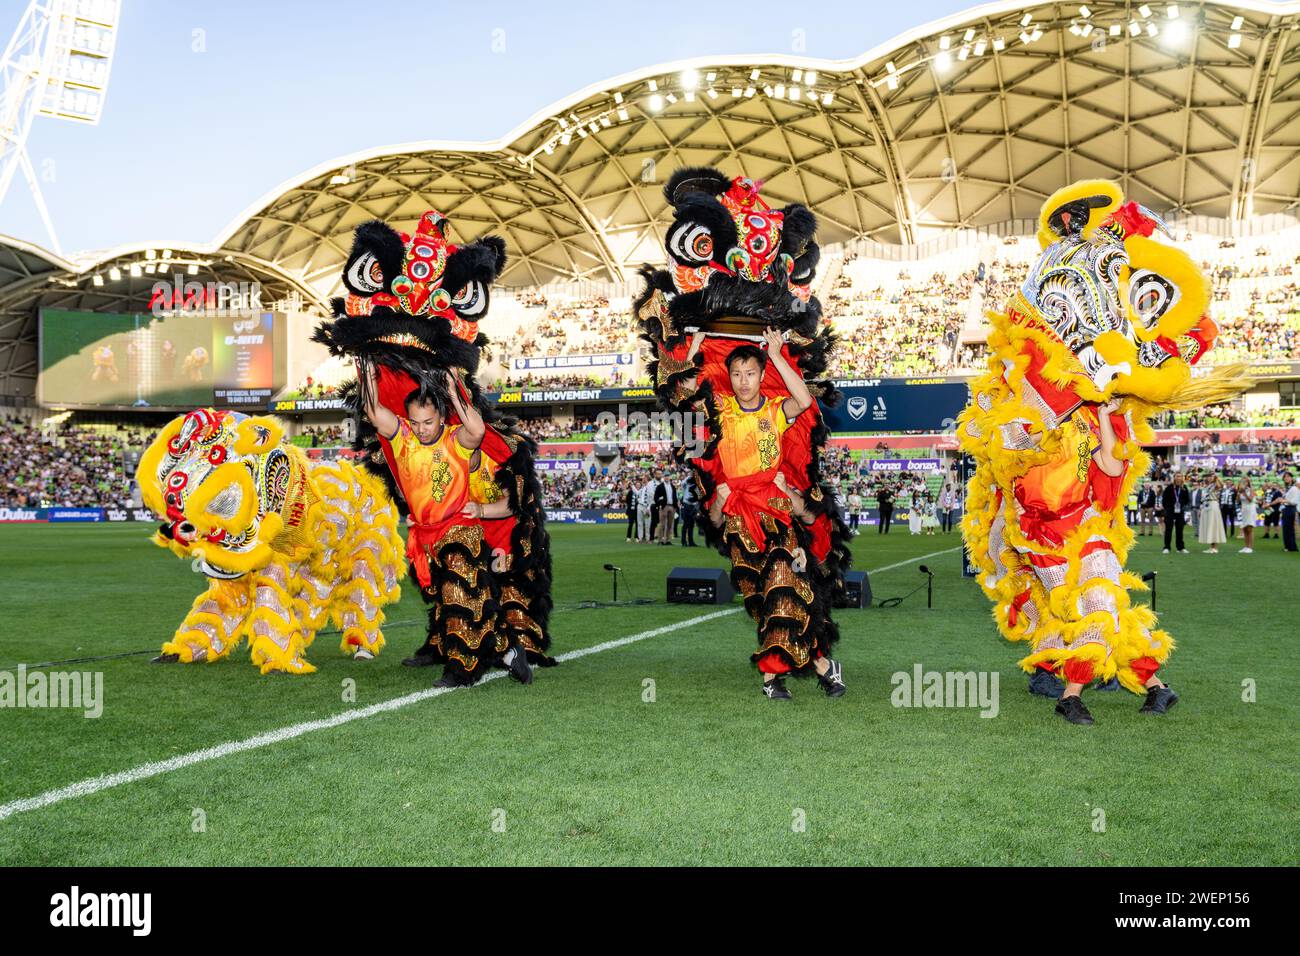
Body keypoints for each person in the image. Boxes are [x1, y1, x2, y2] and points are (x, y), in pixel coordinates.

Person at [693, 330, 846, 701]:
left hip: (776, 512)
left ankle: (778, 673)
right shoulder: (721, 409)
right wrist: (696, 344)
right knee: (763, 600)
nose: (743, 381)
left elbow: (804, 398)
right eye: (737, 374)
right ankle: (816, 667)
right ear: (729, 377)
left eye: (751, 373)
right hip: (738, 517)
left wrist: (775, 354)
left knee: (785, 582)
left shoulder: (774, 409)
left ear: (761, 376)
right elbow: (683, 391)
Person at [359, 361, 527, 687]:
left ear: (441, 416)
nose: (422, 428)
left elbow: (477, 430)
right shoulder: (401, 437)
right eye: (416, 421)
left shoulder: (456, 439)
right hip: (424, 537)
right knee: (458, 601)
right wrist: (366, 374)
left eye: (429, 421)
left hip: (459, 530)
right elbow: (372, 410)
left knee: (458, 597)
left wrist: (455, 392)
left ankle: (461, 671)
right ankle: (507, 650)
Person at [1269, 471, 1299, 552]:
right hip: (1285, 509)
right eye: (1285, 477)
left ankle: (1292, 547)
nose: (1286, 478)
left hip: (1290, 509)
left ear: (1292, 478)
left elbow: (1294, 501)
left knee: (1289, 529)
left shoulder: (1294, 488)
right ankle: (1288, 546)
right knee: (1286, 529)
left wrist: (1283, 501)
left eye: (1288, 476)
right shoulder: (1287, 488)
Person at [1162, 473, 1191, 554]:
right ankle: (1167, 547)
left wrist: (1182, 505)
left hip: (1180, 511)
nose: (1179, 478)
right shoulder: (1169, 488)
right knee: (1168, 529)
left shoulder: (1184, 488)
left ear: (1182, 478)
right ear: (1174, 478)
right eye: (1177, 476)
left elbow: (1187, 500)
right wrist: (1168, 508)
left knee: (1180, 530)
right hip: (1170, 511)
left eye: (1180, 476)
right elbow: (1164, 500)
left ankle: (1180, 548)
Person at [1198, 475, 1227, 553]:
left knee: (1213, 525)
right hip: (1205, 506)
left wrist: (1216, 477)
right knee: (1209, 526)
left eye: (1210, 476)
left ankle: (1214, 547)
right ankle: (1211, 547)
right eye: (1208, 477)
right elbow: (1202, 499)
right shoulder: (1205, 488)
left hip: (1213, 504)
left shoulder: (1215, 485)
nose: (1208, 478)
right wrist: (1200, 509)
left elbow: (1221, 485)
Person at [654, 471, 677, 545]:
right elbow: (656, 497)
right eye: (665, 476)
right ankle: (660, 540)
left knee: (670, 524)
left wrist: (675, 506)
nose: (667, 477)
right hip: (664, 506)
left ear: (669, 477)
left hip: (671, 506)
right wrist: (659, 504)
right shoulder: (660, 486)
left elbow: (675, 497)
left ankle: (667, 540)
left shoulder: (672, 486)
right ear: (663, 477)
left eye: (668, 476)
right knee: (662, 524)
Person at [1236, 477, 1257, 554]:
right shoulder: (1240, 491)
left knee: (1249, 528)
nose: (1243, 483)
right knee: (1244, 529)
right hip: (1244, 510)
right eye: (1242, 482)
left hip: (1250, 509)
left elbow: (1250, 499)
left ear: (1248, 483)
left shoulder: (1251, 490)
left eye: (1245, 482)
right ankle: (1246, 546)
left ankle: (1250, 547)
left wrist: (1244, 493)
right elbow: (1237, 501)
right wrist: (1238, 493)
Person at [636, 473, 656, 542]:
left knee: (648, 523)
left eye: (644, 478)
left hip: (647, 507)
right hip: (640, 506)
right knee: (640, 523)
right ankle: (640, 538)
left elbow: (652, 498)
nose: (643, 479)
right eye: (643, 478)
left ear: (647, 479)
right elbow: (638, 494)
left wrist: (649, 507)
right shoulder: (642, 487)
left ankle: (648, 538)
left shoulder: (650, 487)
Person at [679, 479, 698, 546]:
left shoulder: (697, 483)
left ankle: (691, 541)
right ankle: (683, 541)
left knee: (691, 525)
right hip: (686, 504)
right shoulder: (686, 482)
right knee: (685, 524)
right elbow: (682, 483)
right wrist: (689, 476)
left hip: (693, 506)